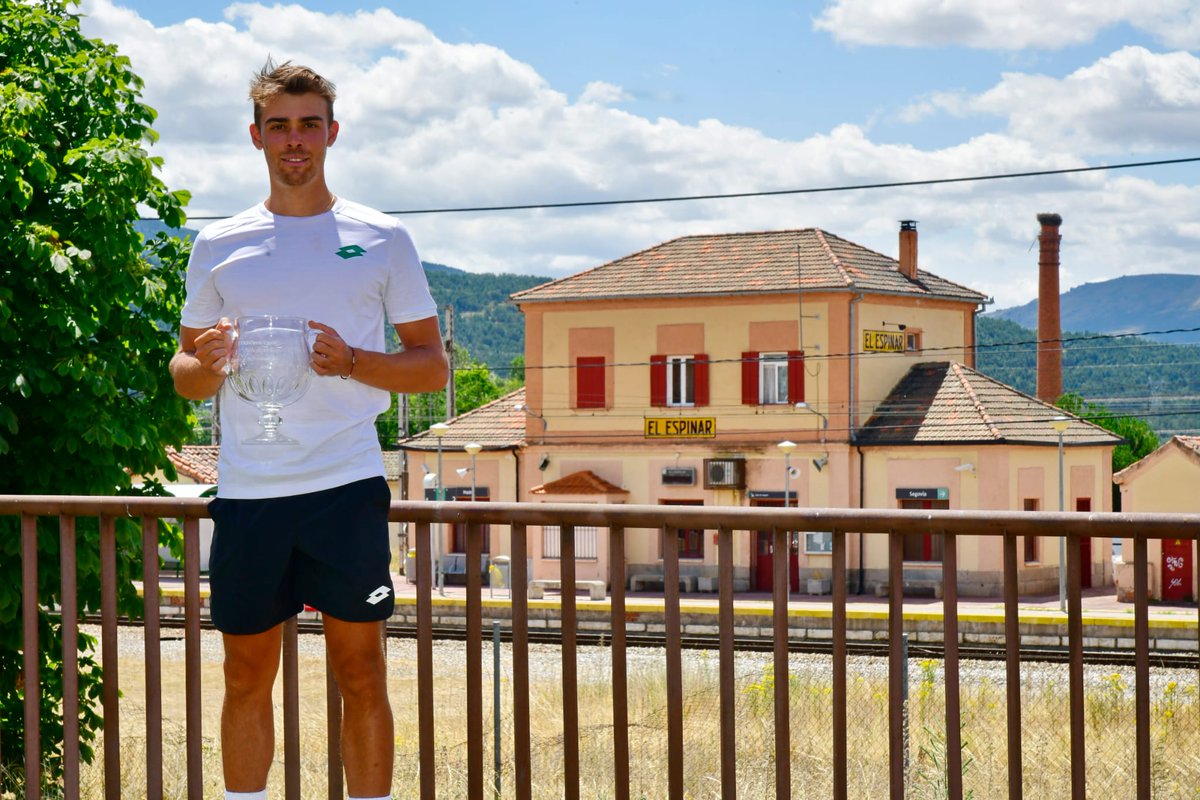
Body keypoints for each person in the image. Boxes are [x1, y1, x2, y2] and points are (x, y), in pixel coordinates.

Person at [169, 60, 448, 800]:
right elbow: (184, 372)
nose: (296, 140)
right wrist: (209, 361)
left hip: (345, 483)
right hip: (251, 489)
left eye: (309, 124)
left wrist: (354, 360)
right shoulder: (217, 243)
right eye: (281, 126)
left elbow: (432, 369)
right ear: (256, 135)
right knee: (244, 674)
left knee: (361, 671)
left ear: (332, 131)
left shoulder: (382, 237)